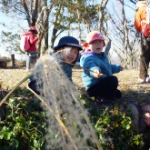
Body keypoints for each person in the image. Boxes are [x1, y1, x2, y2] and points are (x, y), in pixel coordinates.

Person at [80, 31, 123, 101]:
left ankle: (105, 95)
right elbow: (89, 65)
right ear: (88, 46)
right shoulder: (88, 57)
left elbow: (108, 67)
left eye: (100, 42)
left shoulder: (103, 56)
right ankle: (102, 98)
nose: (97, 45)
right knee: (113, 80)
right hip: (93, 87)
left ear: (103, 44)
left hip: (102, 84)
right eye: (94, 42)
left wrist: (118, 68)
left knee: (118, 94)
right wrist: (94, 71)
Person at [134, 0, 150, 83]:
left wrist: (141, 30)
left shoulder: (140, 10)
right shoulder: (148, 8)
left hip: (146, 34)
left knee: (144, 55)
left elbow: (137, 24)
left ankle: (143, 77)